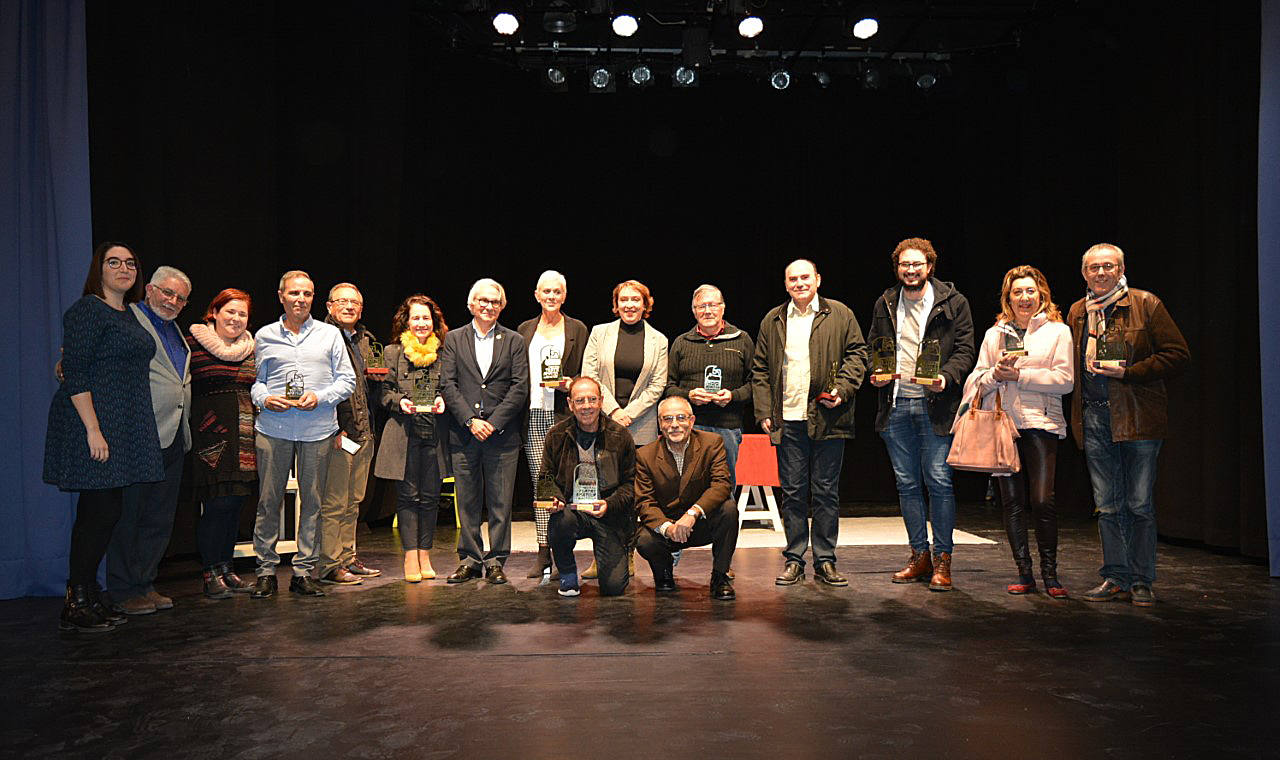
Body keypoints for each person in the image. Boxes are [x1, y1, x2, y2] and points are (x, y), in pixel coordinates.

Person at [44, 243, 163, 632]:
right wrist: (93, 429)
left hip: (123, 424)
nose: (124, 268)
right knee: (97, 512)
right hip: (92, 422)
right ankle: (76, 599)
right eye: (114, 262)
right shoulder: (86, 310)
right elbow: (75, 371)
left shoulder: (129, 314)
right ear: (99, 269)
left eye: (131, 263)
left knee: (108, 511)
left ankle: (90, 594)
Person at [1069, 244, 1190, 607]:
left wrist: (1130, 373)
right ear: (1084, 273)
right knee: (1107, 504)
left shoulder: (1146, 303)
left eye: (1108, 266)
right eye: (1094, 268)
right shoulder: (1078, 312)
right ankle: (1115, 576)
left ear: (1121, 268)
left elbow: (1178, 355)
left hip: (1138, 416)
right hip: (1094, 416)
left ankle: (1141, 580)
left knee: (1139, 504)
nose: (1101, 273)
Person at [866, 238, 975, 592]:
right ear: (897, 268)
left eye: (917, 264)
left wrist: (947, 377)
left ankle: (943, 558)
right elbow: (874, 347)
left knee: (939, 482)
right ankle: (919, 554)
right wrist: (875, 372)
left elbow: (964, 350)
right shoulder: (885, 302)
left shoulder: (953, 302)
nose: (910, 270)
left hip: (935, 405)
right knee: (907, 484)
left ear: (930, 266)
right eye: (904, 265)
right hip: (896, 404)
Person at [751, 259, 867, 587]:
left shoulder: (840, 314)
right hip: (787, 419)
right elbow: (760, 369)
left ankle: (826, 560)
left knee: (826, 492)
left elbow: (858, 355)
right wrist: (763, 413)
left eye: (805, 277)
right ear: (786, 284)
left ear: (818, 278)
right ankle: (794, 559)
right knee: (793, 493)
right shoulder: (773, 319)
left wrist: (842, 389)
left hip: (829, 416)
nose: (800, 283)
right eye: (793, 278)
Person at [962, 265, 1073, 597]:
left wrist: (1020, 377)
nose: (1024, 298)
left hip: (1041, 423)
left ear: (1041, 294)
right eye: (1017, 292)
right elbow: (976, 380)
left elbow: (1065, 381)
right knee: (1010, 502)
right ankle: (1025, 573)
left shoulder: (1058, 331)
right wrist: (995, 374)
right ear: (1007, 298)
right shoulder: (995, 334)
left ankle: (1050, 574)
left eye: (1030, 291)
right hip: (1002, 424)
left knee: (1042, 500)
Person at [249, 270, 356, 599]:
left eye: (307, 294)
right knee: (269, 502)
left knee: (312, 503)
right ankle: (266, 570)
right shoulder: (265, 335)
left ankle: (302, 571)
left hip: (317, 429)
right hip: (273, 428)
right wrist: (264, 398)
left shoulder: (330, 335)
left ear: (313, 298)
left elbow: (347, 380)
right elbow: (256, 381)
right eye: (294, 293)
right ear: (281, 295)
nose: (301, 299)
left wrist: (320, 398)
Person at [107, 265, 193, 615]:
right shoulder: (127, 321)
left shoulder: (176, 332)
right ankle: (123, 590)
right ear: (150, 290)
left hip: (172, 436)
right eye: (167, 293)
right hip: (139, 435)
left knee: (158, 517)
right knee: (130, 516)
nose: (172, 301)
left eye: (181, 298)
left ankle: (144, 583)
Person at [439, 278, 529, 585]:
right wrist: (470, 420)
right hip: (464, 434)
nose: (489, 306)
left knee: (501, 502)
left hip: (501, 436)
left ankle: (496, 561)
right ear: (471, 305)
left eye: (495, 302)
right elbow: (447, 385)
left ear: (502, 306)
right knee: (467, 500)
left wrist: (494, 421)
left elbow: (520, 387)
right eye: (483, 301)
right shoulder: (453, 338)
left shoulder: (514, 340)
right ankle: (470, 559)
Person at [187, 288, 258, 599]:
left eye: (242, 314)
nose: (236, 318)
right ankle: (210, 572)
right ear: (213, 312)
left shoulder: (252, 349)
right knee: (217, 505)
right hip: (210, 434)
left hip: (244, 436)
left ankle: (227, 568)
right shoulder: (193, 344)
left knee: (235, 504)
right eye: (230, 311)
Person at [516, 270, 588, 579]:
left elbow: (586, 371)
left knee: (568, 483)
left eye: (557, 292)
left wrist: (570, 384)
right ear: (536, 294)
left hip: (566, 415)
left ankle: (563, 552)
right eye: (546, 291)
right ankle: (543, 551)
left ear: (564, 295)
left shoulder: (577, 329)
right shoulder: (524, 329)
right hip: (533, 413)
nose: (551, 297)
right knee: (542, 483)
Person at [373, 294, 449, 582]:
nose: (420, 323)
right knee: (407, 497)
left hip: (435, 433)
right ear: (406, 321)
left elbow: (450, 387)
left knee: (430, 498)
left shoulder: (444, 352)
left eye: (425, 318)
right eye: (415, 317)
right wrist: (399, 403)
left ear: (434, 322)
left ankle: (425, 555)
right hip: (404, 433)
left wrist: (443, 400)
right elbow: (383, 393)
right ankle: (409, 556)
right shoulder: (391, 352)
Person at [634, 397, 738, 600]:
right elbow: (644, 502)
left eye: (681, 418)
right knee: (643, 538)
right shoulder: (645, 455)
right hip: (668, 529)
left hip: (699, 523)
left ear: (692, 421)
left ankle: (719, 576)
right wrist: (667, 527)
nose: (674, 425)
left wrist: (693, 513)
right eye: (668, 419)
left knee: (728, 509)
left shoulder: (712, 443)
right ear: (660, 424)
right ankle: (664, 575)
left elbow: (721, 485)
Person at [542, 376, 637, 598]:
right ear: (570, 404)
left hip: (609, 514)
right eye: (580, 400)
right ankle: (567, 573)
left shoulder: (620, 435)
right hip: (573, 512)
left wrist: (609, 504)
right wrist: (553, 498)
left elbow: (630, 484)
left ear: (601, 401)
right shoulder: (556, 435)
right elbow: (546, 477)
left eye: (592, 399)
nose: (586, 406)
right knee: (559, 520)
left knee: (613, 588)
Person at [316, 282, 381, 585]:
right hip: (338, 432)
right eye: (341, 301)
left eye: (355, 302)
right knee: (335, 501)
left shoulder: (366, 341)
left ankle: (347, 557)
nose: (349, 306)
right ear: (329, 306)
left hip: (364, 431)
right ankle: (330, 564)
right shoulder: (321, 337)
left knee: (354, 500)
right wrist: (334, 428)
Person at [664, 284, 754, 488]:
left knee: (724, 486)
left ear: (723, 308)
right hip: (689, 427)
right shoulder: (681, 342)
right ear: (694, 311)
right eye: (701, 306)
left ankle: (724, 521)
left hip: (728, 428)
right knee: (686, 485)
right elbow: (668, 387)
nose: (707, 311)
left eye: (712, 305)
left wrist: (733, 396)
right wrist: (689, 395)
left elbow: (755, 384)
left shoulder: (742, 339)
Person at [582, 279, 668, 446]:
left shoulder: (659, 340)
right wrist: (613, 411)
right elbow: (590, 376)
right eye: (623, 299)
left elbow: (657, 385)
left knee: (639, 472)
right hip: (603, 419)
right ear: (616, 305)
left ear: (645, 305)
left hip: (641, 425)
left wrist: (628, 414)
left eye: (635, 299)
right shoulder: (599, 333)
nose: (629, 305)